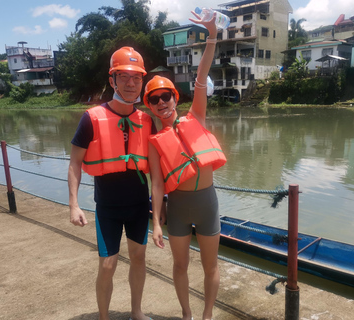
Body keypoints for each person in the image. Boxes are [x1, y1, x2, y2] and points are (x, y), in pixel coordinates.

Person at [68, 46, 161, 320]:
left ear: (142, 82)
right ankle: (104, 317)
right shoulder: (91, 118)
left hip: (137, 205)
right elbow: (75, 163)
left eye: (136, 78)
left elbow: (156, 174)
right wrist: (73, 205)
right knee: (107, 265)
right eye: (124, 77)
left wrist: (157, 217)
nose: (131, 83)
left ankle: (136, 312)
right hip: (107, 206)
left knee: (139, 259)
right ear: (112, 80)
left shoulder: (146, 120)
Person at [146, 11, 226, 320]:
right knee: (179, 266)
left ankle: (206, 316)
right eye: (155, 99)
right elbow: (155, 183)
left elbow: (202, 74)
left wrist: (212, 34)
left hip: (206, 203)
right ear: (149, 106)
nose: (162, 102)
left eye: (166, 95)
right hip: (177, 208)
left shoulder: (196, 116)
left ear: (174, 97)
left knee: (211, 266)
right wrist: (155, 222)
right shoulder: (154, 141)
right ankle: (187, 315)